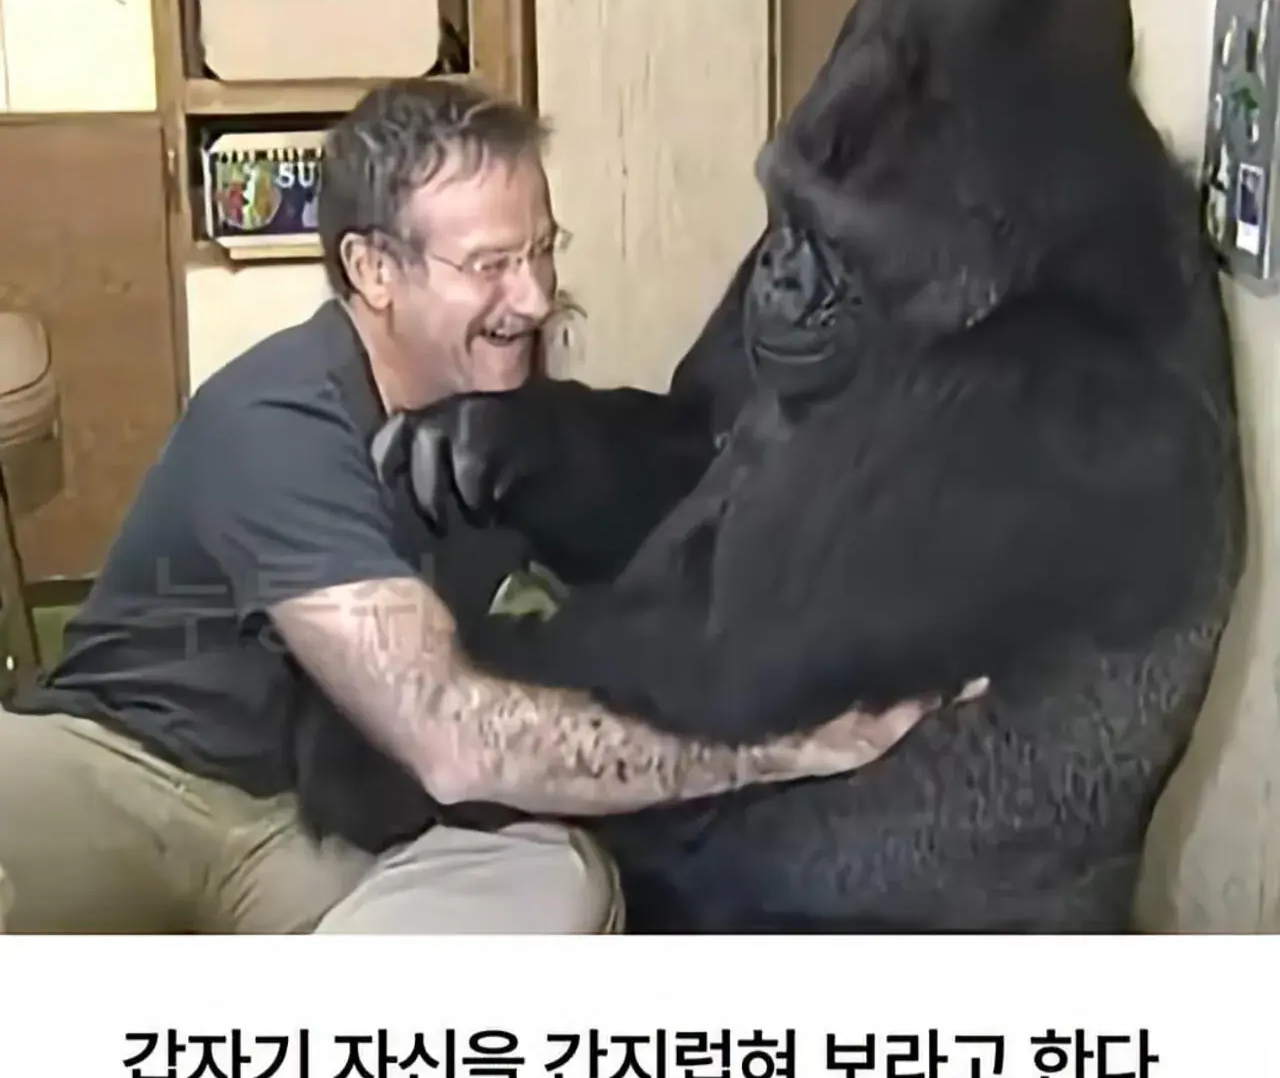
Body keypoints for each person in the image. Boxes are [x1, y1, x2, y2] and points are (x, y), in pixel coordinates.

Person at [0, 79, 937, 936]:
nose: (532, 297)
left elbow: (678, 575)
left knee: (553, 875)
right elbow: (451, 736)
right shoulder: (277, 416)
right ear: (374, 269)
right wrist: (775, 744)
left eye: (542, 250)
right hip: (120, 766)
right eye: (490, 264)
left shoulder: (506, 422)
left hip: (313, 832)